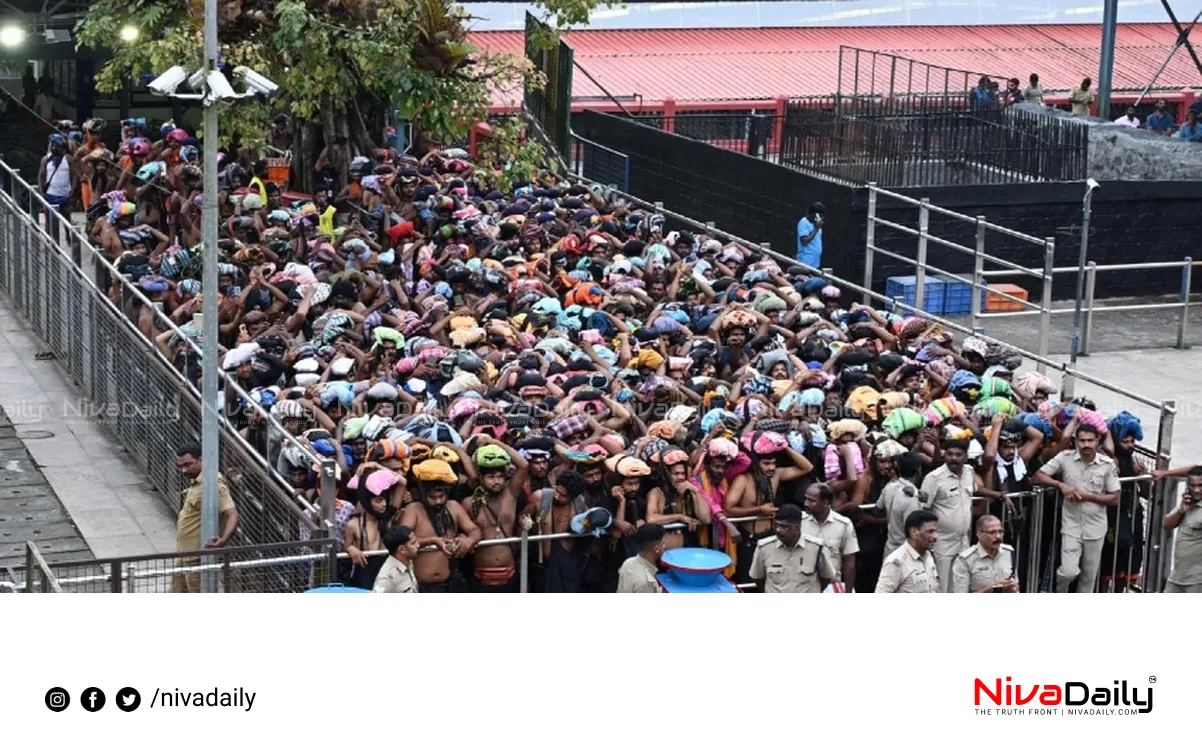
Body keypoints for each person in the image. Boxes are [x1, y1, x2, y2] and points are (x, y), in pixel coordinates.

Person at [1031, 422, 1120, 593]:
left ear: (1097, 441)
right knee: (1068, 571)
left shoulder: (1107, 464)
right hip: (1071, 525)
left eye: (1090, 440)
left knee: (1088, 577)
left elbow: (1115, 498)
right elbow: (1038, 476)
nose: (1086, 444)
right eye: (1082, 441)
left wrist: (1088, 496)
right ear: (1076, 442)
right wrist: (1060, 485)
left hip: (1095, 528)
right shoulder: (1065, 457)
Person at [399, 458, 482, 592]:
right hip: (421, 586)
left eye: (441, 496)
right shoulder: (413, 509)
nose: (438, 501)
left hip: (451, 583)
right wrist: (432, 541)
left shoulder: (454, 506)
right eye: (432, 497)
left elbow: (475, 529)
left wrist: (468, 540)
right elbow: (402, 540)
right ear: (423, 494)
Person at [173, 443, 240, 593]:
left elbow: (232, 514)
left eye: (188, 465)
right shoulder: (196, 479)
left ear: (200, 460)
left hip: (196, 557)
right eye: (180, 466)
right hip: (183, 552)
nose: (184, 470)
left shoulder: (213, 483)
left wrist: (224, 539)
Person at [919, 437, 979, 592]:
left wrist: (999, 495)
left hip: (963, 541)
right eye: (950, 454)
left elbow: (977, 490)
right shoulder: (933, 478)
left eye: (958, 455)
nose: (953, 458)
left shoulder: (969, 472)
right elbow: (923, 511)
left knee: (961, 585)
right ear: (944, 455)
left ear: (965, 456)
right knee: (942, 588)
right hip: (941, 543)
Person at [748, 503, 835, 593]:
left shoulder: (817, 548)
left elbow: (826, 577)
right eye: (776, 525)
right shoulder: (764, 547)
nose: (778, 530)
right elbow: (758, 578)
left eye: (784, 527)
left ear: (798, 527)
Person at [801, 482, 859, 588]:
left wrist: (848, 592)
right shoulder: (800, 523)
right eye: (806, 499)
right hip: (805, 586)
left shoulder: (844, 525)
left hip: (832, 586)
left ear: (825, 502)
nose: (806, 503)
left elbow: (849, 562)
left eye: (811, 501)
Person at [875, 510, 940, 593]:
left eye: (936, 531)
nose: (935, 536)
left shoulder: (928, 555)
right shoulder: (896, 562)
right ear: (914, 532)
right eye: (930, 532)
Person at [950, 515, 1017, 593]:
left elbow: (1015, 585)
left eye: (1000, 531)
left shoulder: (1008, 552)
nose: (998, 536)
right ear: (979, 534)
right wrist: (993, 589)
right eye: (992, 532)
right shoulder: (965, 560)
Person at [1162, 466, 1202, 593]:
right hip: (1177, 577)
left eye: (1201, 486)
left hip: (1196, 581)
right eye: (1192, 486)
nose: (1196, 490)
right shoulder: (1187, 502)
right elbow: (1166, 524)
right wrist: (1181, 511)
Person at [875, 451, 923, 557]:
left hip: (890, 548)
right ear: (919, 470)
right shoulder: (913, 498)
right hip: (906, 553)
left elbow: (877, 510)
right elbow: (912, 532)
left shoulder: (889, 487)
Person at [616, 524, 666, 593]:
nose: (665, 546)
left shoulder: (628, 562)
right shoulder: (647, 583)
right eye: (663, 544)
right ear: (656, 548)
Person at [372, 525, 421, 593]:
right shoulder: (387, 578)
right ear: (402, 549)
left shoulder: (408, 563)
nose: (418, 545)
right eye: (413, 543)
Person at [795, 202, 825, 268]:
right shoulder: (803, 222)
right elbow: (804, 241)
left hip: (815, 261)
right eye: (820, 215)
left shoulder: (817, 224)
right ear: (814, 214)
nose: (821, 218)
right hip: (805, 261)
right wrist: (816, 229)